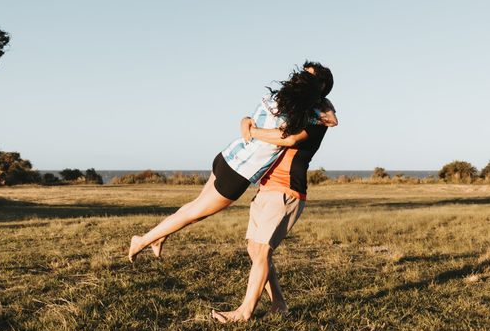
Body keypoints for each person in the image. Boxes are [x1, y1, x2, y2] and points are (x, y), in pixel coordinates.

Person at [128, 63, 337, 262]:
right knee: (194, 214)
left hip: (228, 156)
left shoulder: (273, 96)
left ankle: (159, 236)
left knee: (194, 207)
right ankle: (142, 240)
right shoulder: (300, 114)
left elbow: (252, 118)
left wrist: (246, 123)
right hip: (239, 173)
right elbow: (309, 129)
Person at [211, 67, 335, 322]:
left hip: (286, 190)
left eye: (309, 77)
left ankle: (243, 312)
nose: (301, 79)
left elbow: (288, 140)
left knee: (263, 251)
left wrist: (251, 132)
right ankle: (279, 304)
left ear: (320, 88)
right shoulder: (299, 111)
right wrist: (247, 119)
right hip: (267, 187)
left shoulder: (316, 118)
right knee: (254, 249)